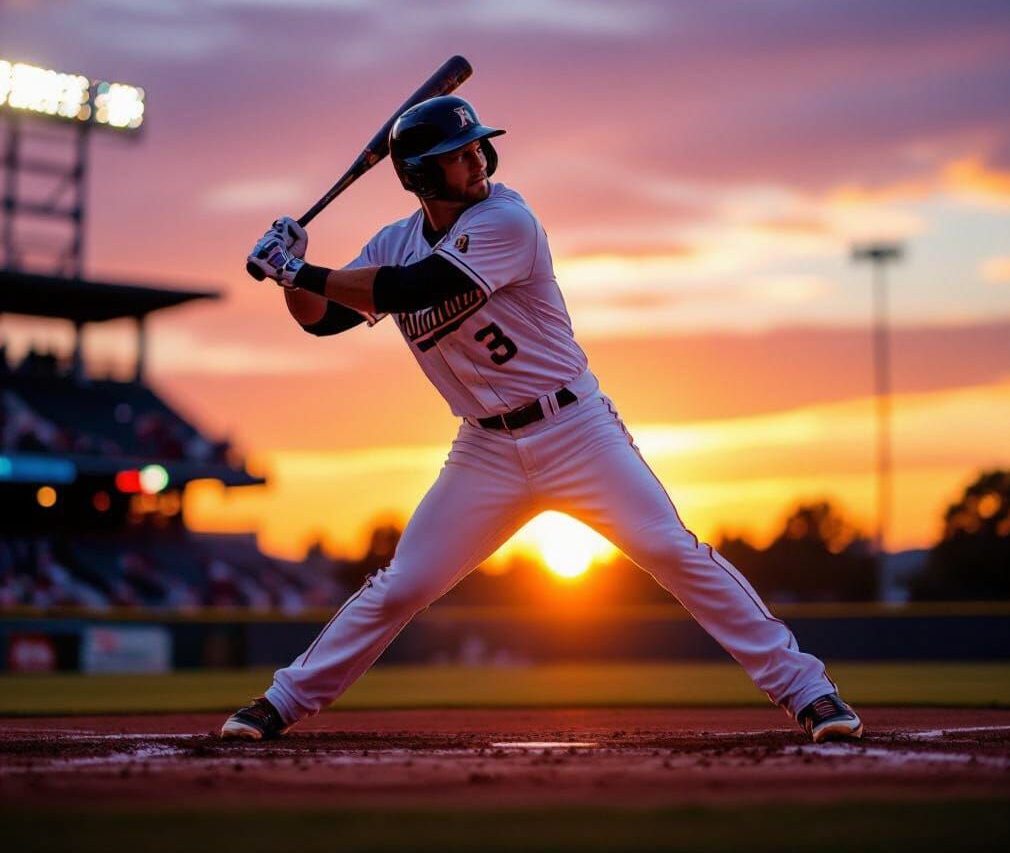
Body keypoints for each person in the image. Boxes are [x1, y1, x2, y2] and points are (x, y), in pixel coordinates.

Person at [224, 95, 863, 744]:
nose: (475, 160)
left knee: (671, 548)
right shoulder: (396, 240)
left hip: (574, 429)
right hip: (484, 450)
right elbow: (325, 319)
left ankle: (810, 693)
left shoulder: (508, 219)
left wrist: (301, 268)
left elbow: (415, 289)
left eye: (476, 146)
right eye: (456, 154)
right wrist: (291, 280)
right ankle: (280, 702)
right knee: (401, 585)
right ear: (420, 174)